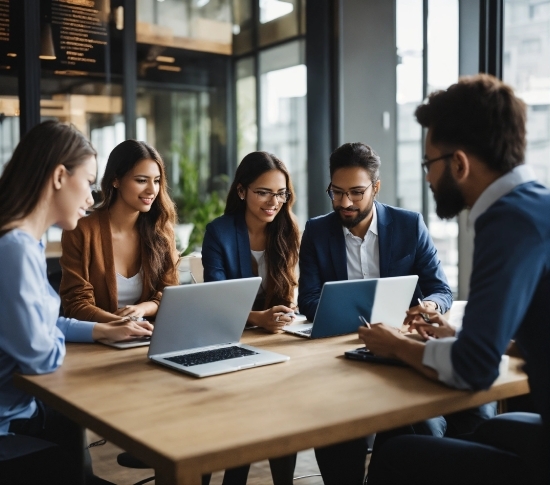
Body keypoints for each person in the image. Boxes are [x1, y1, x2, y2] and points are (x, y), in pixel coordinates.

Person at [361, 74, 550, 485]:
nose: (428, 178)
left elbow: (472, 370)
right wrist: (460, 337)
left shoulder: (507, 222)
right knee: (489, 431)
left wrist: (397, 345)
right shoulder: (539, 206)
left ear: (459, 163)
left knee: (397, 455)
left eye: (429, 164)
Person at [298, 142, 494, 485]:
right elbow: (310, 301)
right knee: (334, 424)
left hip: (403, 342)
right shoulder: (317, 230)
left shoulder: (408, 225)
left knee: (436, 420)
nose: (344, 202)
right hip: (340, 351)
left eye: (356, 193)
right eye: (337, 192)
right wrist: (354, 315)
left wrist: (430, 306)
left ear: (375, 187)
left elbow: (441, 290)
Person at [0, 121, 154, 485]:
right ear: (58, 176)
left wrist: (102, 330)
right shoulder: (14, 250)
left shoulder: (29, 244)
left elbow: (42, 328)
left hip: (23, 407)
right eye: (87, 182)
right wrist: (53, 334)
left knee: (73, 435)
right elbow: (41, 355)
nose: (91, 198)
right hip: (8, 419)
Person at [202, 151, 300, 484]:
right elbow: (217, 298)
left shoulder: (288, 230)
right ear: (242, 191)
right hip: (229, 336)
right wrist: (260, 318)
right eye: (264, 192)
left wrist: (285, 312)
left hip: (275, 337)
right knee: (236, 412)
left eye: (281, 193)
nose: (274, 201)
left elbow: (290, 293)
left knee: (286, 403)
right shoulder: (219, 232)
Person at [60, 140, 179, 322]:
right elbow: (76, 303)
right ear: (116, 180)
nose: (151, 190)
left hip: (149, 336)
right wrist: (119, 324)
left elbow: (170, 293)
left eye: (156, 181)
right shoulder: (81, 231)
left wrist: (141, 309)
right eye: (141, 180)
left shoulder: (162, 230)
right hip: (99, 340)